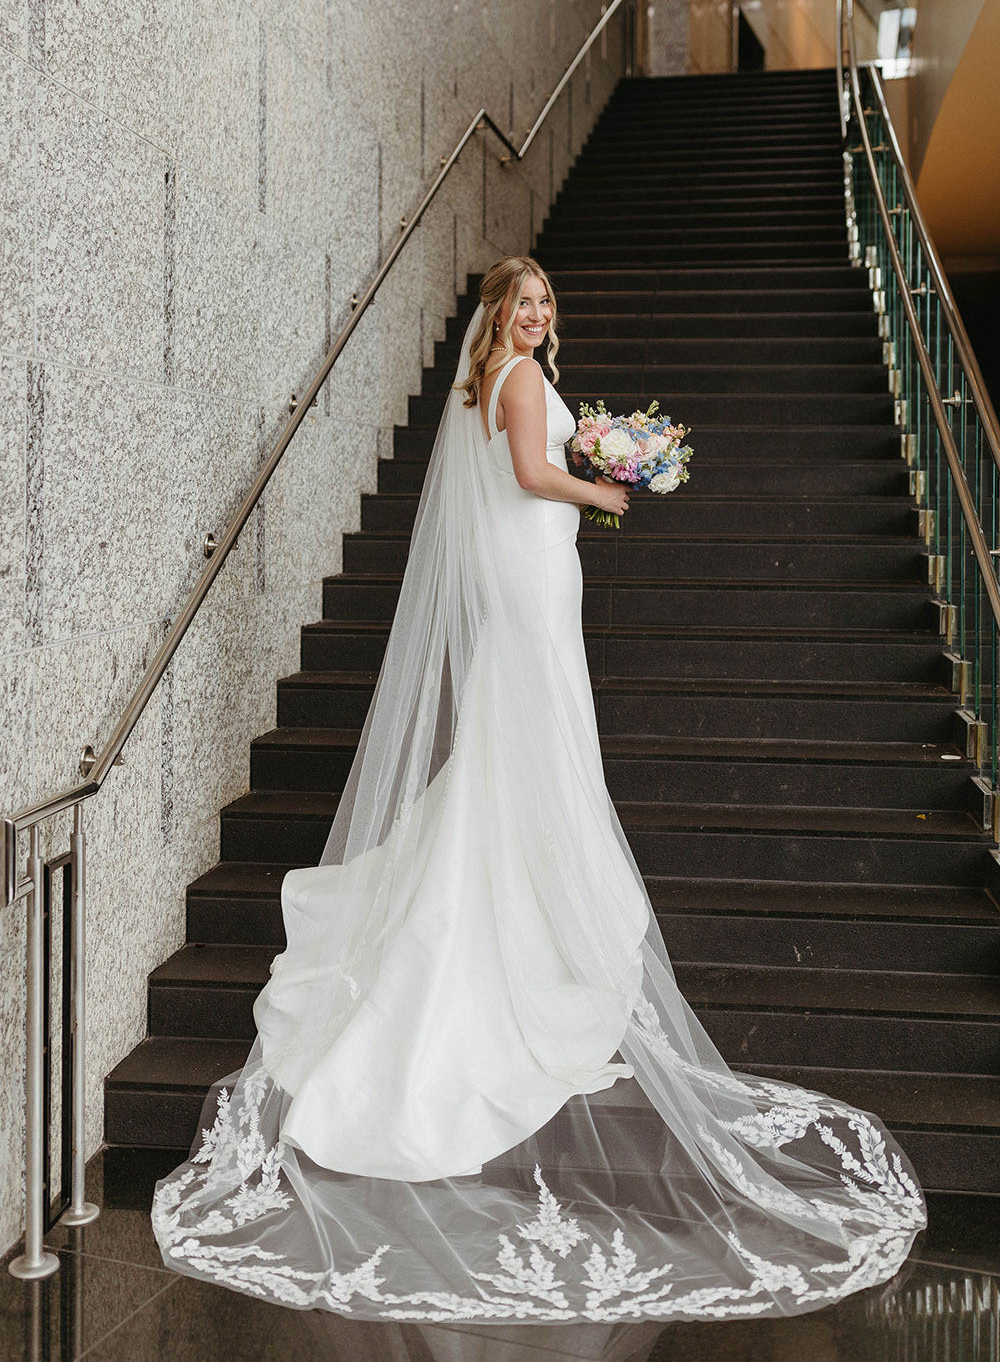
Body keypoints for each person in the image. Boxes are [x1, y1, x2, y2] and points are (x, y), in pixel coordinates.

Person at [152, 257, 926, 1323]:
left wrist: (601, 467)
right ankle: (509, 934)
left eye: (547, 301)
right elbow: (526, 477)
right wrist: (603, 484)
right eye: (524, 303)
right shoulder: (515, 380)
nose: (538, 314)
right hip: (529, 575)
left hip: (534, 576)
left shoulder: (503, 376)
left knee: (521, 749)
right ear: (499, 316)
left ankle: (513, 902)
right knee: (536, 739)